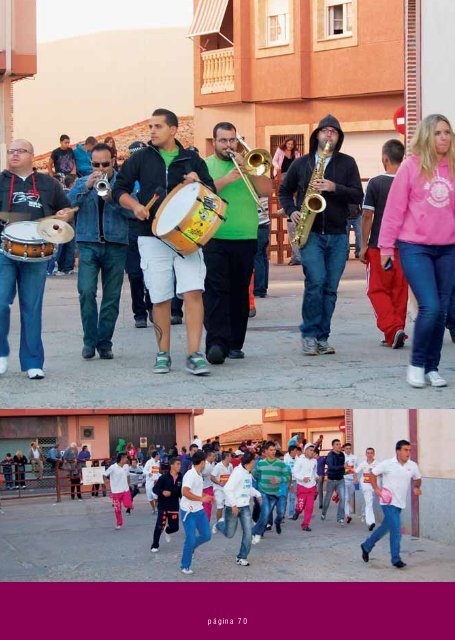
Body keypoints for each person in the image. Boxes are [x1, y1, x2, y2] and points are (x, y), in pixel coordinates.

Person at [113, 108, 215, 375]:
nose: (152, 131)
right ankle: (163, 353)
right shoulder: (141, 158)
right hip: (151, 235)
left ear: (173, 129)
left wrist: (198, 182)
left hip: (188, 236)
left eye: (158, 126)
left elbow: (211, 193)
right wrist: (135, 206)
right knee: (160, 296)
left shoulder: (192, 159)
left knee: (193, 291)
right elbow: (119, 189)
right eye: (150, 127)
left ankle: (194, 354)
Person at [378, 114, 455, 388]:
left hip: (448, 248)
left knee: (443, 309)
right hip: (415, 247)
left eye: (447, 132)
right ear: (426, 136)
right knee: (430, 307)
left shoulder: (453, 167)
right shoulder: (411, 167)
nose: (444, 137)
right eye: (438, 133)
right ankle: (417, 363)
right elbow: (394, 210)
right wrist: (386, 246)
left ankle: (432, 368)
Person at [279, 115, 363, 356]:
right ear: (316, 135)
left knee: (330, 288)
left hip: (338, 234)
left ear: (339, 137)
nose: (329, 135)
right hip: (311, 232)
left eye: (334, 132)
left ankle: (322, 336)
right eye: (325, 131)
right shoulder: (301, 163)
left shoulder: (347, 163)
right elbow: (285, 190)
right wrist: (293, 210)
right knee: (316, 282)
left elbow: (358, 194)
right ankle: (309, 334)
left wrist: (334, 187)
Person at [0, 139, 74, 379]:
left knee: (32, 307)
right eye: (11, 151)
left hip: (36, 252)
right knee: (0, 304)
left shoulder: (47, 183)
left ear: (32, 156)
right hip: (4, 250)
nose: (14, 155)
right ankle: (1, 354)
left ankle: (33, 362)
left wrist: (65, 215)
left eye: (20, 151)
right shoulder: (1, 181)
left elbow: (67, 210)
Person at [203, 122, 273, 365]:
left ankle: (235, 344)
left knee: (240, 292)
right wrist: (227, 179)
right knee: (216, 292)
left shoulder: (250, 163)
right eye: (223, 141)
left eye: (232, 140)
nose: (229, 145)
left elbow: (267, 190)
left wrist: (250, 170)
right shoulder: (207, 165)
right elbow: (203, 193)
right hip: (215, 236)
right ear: (214, 142)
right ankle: (216, 343)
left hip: (245, 237)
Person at [67, 142, 133, 360]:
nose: (101, 168)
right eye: (96, 164)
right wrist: (85, 187)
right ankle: (89, 341)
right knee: (86, 292)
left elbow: (134, 213)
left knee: (111, 297)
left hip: (116, 244)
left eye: (105, 164)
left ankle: (104, 343)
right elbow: (66, 206)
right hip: (88, 243)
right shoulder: (81, 182)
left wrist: (112, 199)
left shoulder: (125, 184)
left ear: (113, 161)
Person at [360, 139, 408, 348]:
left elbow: (368, 214)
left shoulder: (376, 182)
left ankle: (392, 328)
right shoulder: (409, 181)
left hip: (380, 246)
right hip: (406, 247)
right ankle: (397, 329)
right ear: (402, 157)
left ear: (384, 158)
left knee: (377, 290)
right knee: (400, 290)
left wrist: (363, 245)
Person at [361, 440, 422, 568]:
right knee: (396, 529)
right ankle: (396, 559)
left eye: (409, 450)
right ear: (398, 451)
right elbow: (372, 474)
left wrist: (416, 487)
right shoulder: (388, 464)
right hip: (387, 502)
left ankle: (366, 546)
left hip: (400, 503)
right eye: (405, 450)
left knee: (385, 528)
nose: (408, 453)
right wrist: (377, 488)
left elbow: (417, 478)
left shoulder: (412, 465)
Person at [123, 141, 153, 329]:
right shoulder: (127, 176)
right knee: (134, 274)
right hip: (131, 227)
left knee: (152, 271)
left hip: (151, 227)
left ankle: (153, 306)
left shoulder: (153, 174)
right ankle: (139, 313)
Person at [216, 451, 262, 567]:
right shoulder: (238, 472)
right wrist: (234, 505)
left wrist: (258, 494)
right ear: (249, 462)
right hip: (233, 507)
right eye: (254, 462)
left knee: (248, 532)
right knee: (229, 533)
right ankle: (219, 524)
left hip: (245, 507)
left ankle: (241, 557)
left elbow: (247, 488)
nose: (255, 464)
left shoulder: (248, 473)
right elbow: (227, 489)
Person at [180, 449, 214, 575]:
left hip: (199, 510)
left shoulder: (199, 475)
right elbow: (185, 492)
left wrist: (207, 497)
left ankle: (192, 546)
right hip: (188, 512)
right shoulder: (190, 474)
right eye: (205, 461)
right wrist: (201, 498)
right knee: (190, 539)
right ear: (203, 462)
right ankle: (185, 565)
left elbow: (197, 491)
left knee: (206, 535)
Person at [251, 441, 290, 544]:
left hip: (275, 493)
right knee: (265, 513)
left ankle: (277, 523)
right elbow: (255, 474)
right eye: (271, 450)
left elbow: (287, 477)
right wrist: (253, 473)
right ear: (266, 451)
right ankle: (255, 532)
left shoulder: (281, 464)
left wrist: (278, 479)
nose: (273, 452)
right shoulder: (260, 463)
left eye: (274, 450)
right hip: (263, 492)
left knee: (280, 513)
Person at [273, 138, 301, 265]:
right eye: (288, 144)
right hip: (283, 174)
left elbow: (299, 162)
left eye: (292, 145)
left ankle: (286, 208)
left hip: (294, 175)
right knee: (285, 191)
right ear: (285, 144)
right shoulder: (280, 150)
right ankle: (285, 207)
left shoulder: (296, 153)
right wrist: (277, 167)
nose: (290, 146)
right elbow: (274, 161)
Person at [150, 456, 182, 552]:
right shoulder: (163, 477)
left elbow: (181, 492)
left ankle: (168, 531)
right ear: (172, 465)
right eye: (178, 464)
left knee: (175, 528)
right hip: (163, 506)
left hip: (174, 506)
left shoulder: (181, 477)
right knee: (160, 526)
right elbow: (155, 489)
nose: (179, 466)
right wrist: (162, 492)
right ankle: (155, 545)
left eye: (180, 464)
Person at [291, 443, 318, 531]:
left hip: (312, 486)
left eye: (313, 450)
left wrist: (317, 476)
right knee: (301, 505)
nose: (312, 452)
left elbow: (314, 472)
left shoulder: (314, 461)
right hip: (302, 486)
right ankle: (297, 511)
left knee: (309, 507)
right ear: (305, 451)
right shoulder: (300, 460)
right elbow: (294, 472)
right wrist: (302, 478)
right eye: (310, 450)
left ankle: (305, 524)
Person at [103, 453, 132, 530]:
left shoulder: (126, 466)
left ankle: (129, 505)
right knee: (117, 509)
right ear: (122, 459)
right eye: (126, 458)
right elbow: (104, 474)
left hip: (125, 490)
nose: (127, 459)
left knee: (127, 505)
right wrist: (106, 481)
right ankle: (119, 523)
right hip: (116, 492)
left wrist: (129, 484)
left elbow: (128, 475)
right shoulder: (113, 467)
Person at [321, 439, 345, 524]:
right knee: (327, 499)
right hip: (331, 480)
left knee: (343, 499)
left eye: (340, 444)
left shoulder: (342, 454)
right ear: (333, 446)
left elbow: (343, 467)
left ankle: (340, 518)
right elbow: (331, 467)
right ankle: (324, 512)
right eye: (337, 444)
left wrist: (345, 470)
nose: (339, 446)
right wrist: (343, 467)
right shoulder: (330, 455)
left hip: (341, 480)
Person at [354, 447, 378, 531]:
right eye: (368, 453)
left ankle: (364, 513)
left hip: (374, 486)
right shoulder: (363, 463)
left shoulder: (377, 463)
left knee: (369, 502)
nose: (369, 455)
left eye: (371, 453)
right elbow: (355, 472)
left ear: (374, 454)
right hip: (365, 486)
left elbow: (382, 474)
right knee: (369, 503)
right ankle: (370, 523)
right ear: (366, 454)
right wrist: (356, 479)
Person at [210, 451, 233, 533]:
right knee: (220, 506)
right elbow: (212, 477)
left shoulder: (230, 466)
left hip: (227, 490)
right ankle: (218, 525)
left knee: (228, 506)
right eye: (230, 456)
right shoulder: (218, 466)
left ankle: (223, 523)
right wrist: (219, 483)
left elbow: (231, 476)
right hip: (218, 489)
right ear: (226, 457)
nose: (231, 458)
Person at [253, 196, 271, 299]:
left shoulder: (254, 188)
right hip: (265, 224)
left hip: (258, 224)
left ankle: (258, 288)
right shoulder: (264, 188)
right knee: (263, 257)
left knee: (257, 257)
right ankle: (263, 286)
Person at [342, 442, 358, 524]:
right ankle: (347, 515)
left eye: (349, 448)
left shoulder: (355, 457)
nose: (348, 450)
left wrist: (356, 478)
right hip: (344, 479)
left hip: (352, 480)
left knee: (349, 496)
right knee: (346, 497)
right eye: (347, 448)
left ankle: (345, 509)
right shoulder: (341, 457)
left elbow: (357, 469)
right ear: (344, 449)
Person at [201, 450, 216, 522]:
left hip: (209, 487)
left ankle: (206, 522)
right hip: (205, 488)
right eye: (213, 456)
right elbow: (198, 474)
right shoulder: (205, 464)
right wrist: (204, 475)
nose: (214, 458)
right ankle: (205, 523)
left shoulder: (211, 464)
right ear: (208, 456)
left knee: (208, 507)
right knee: (207, 507)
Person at [284, 445, 298, 518]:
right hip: (287, 480)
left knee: (292, 497)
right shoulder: (286, 458)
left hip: (294, 480)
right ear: (292, 451)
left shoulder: (297, 458)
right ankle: (282, 515)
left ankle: (291, 514)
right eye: (295, 450)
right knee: (284, 497)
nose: (296, 452)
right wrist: (290, 482)